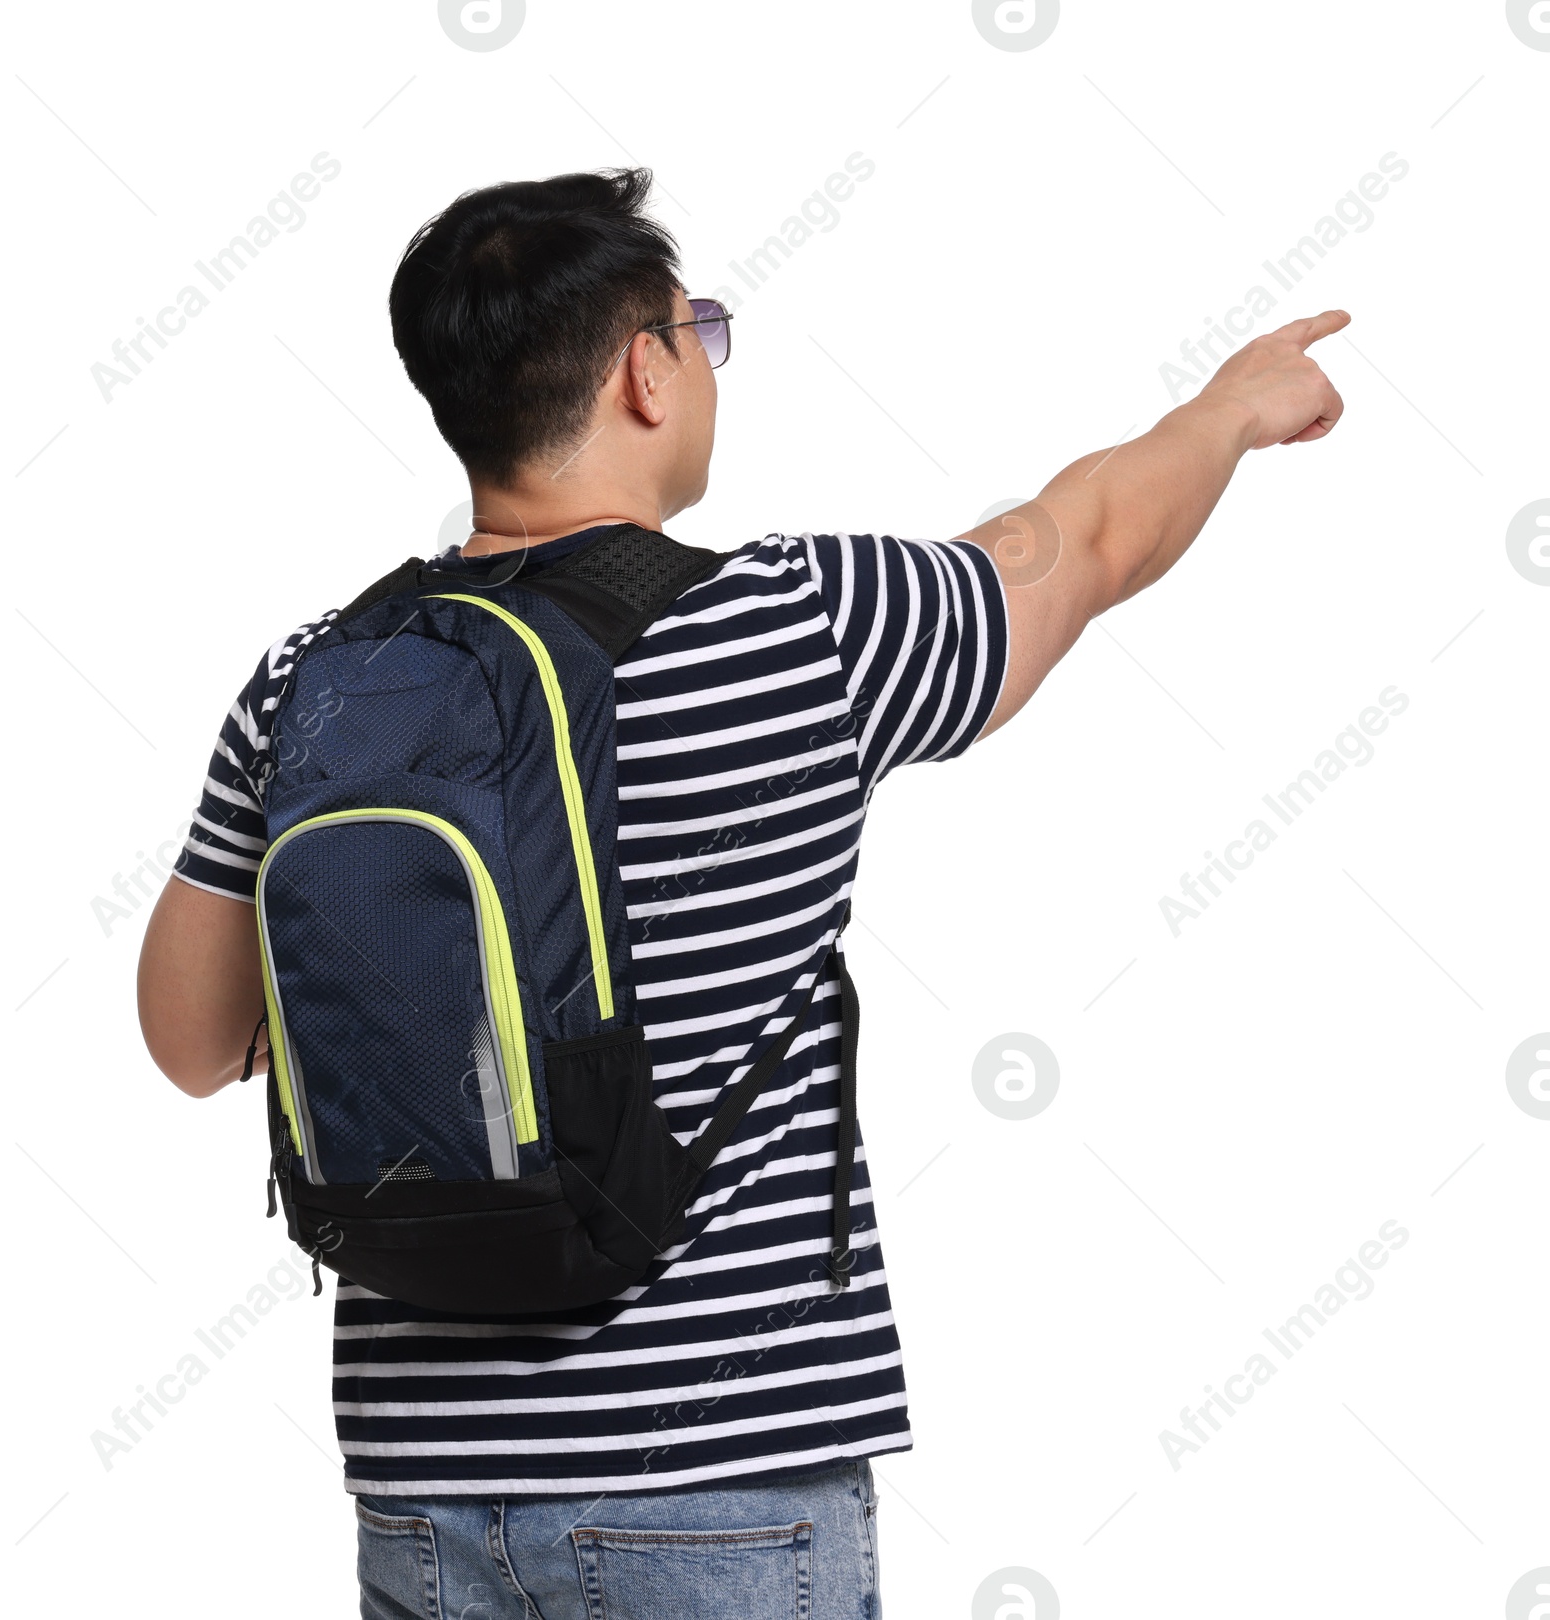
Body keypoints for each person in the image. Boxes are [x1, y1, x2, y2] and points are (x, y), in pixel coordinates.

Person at [137, 167, 1346, 1619]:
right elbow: (1080, 543)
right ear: (647, 370)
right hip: (720, 1491)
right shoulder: (796, 627)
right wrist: (1224, 411)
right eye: (694, 327)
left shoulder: (312, 681)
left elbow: (190, 1041)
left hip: (423, 1492)